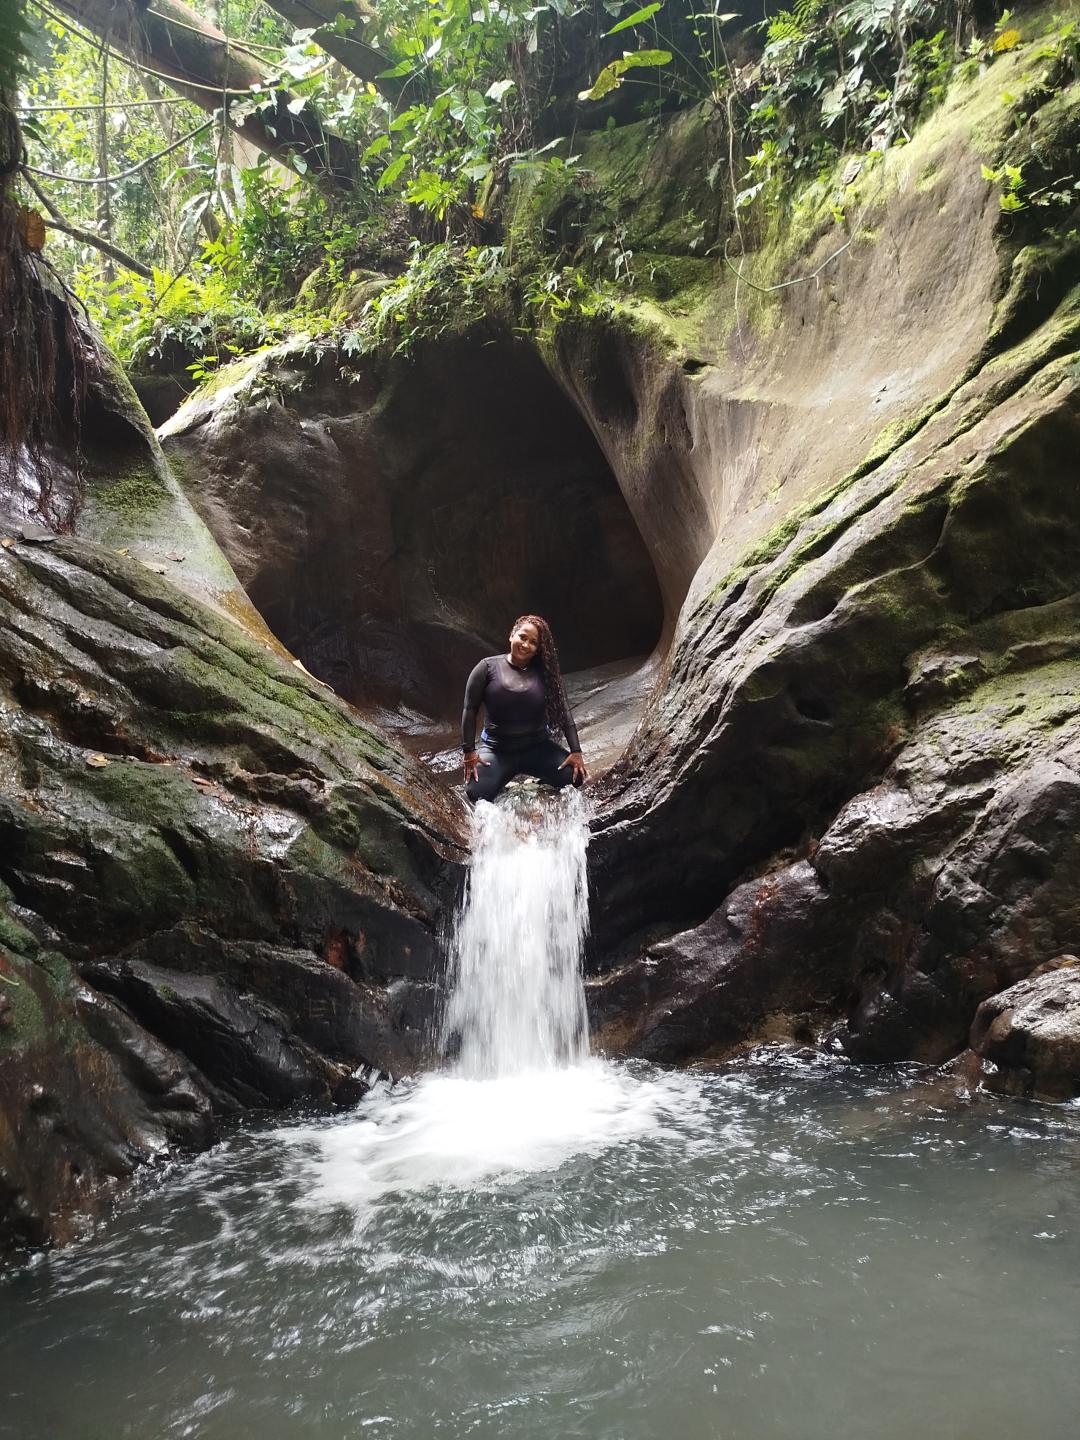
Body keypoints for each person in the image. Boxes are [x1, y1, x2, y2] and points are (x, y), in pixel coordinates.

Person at [461, 614, 588, 804]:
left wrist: (576, 752)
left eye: (533, 642)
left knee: (574, 777)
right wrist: (469, 752)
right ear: (512, 635)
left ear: (538, 649)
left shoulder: (545, 673)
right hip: (498, 750)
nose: (526, 644)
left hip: (538, 748)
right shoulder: (486, 667)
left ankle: (538, 780)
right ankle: (502, 778)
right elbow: (469, 709)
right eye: (522, 637)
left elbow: (564, 712)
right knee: (476, 791)